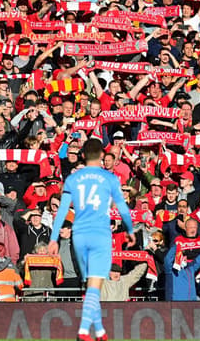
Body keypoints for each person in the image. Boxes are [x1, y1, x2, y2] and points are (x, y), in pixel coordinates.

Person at [48, 139, 136, 341]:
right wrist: (130, 229)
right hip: (100, 234)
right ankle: (83, 331)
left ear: (83, 155)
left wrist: (54, 238)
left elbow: (62, 209)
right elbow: (122, 207)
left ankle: (100, 331)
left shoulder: (73, 179)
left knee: (91, 284)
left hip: (79, 235)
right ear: (102, 155)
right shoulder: (110, 178)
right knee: (95, 284)